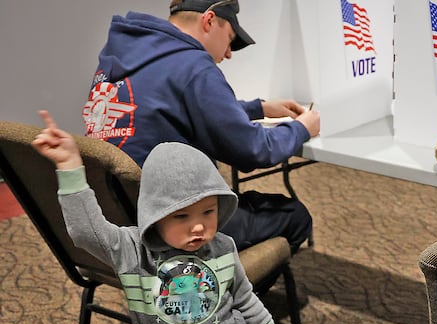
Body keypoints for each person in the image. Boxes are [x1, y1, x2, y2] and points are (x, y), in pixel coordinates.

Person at [33, 110, 289, 324]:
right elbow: (86, 233)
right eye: (181, 216)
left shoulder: (222, 248)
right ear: (155, 215)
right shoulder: (132, 250)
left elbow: (244, 297)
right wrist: (69, 166)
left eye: (208, 212)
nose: (198, 225)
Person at [82, 0, 320, 256]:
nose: (228, 53)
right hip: (177, 226)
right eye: (230, 38)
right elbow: (254, 150)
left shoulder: (122, 55)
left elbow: (170, 104)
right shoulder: (193, 65)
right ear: (208, 21)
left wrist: (257, 108)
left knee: (242, 201)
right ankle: (221, 290)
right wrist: (302, 128)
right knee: (295, 215)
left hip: (118, 217)